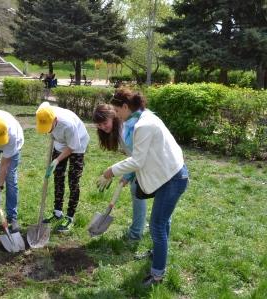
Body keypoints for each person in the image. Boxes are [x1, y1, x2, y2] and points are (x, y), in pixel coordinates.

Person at [97, 88, 189, 287]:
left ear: (125, 107)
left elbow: (137, 160)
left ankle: (157, 275)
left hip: (173, 178)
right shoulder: (143, 118)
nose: (116, 114)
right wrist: (127, 175)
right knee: (162, 222)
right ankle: (158, 254)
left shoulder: (143, 125)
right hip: (168, 174)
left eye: (117, 110)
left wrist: (110, 171)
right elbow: (143, 156)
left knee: (157, 224)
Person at [93, 103, 147, 241]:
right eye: (99, 125)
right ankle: (138, 231)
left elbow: (138, 156)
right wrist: (127, 175)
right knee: (136, 189)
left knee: (141, 191)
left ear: (113, 116)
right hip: (141, 163)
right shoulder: (119, 130)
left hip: (154, 164)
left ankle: (135, 234)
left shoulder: (127, 129)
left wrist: (120, 173)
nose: (103, 128)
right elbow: (134, 156)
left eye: (105, 123)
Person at [36, 102, 90, 233]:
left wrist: (56, 160)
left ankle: (70, 216)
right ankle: (57, 212)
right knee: (58, 176)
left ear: (55, 119)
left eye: (49, 127)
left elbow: (72, 147)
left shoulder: (68, 125)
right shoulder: (43, 112)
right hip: (60, 143)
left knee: (73, 180)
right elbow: (45, 103)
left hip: (77, 144)